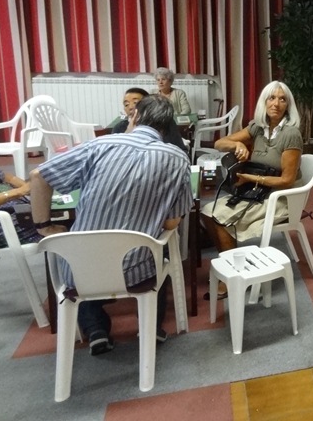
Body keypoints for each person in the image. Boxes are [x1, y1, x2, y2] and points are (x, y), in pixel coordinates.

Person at [29, 95, 193, 354]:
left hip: (78, 272)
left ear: (135, 116)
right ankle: (150, 327)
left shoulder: (100, 144)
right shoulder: (178, 160)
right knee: (158, 252)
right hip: (136, 272)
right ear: (166, 126)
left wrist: (44, 227)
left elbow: (39, 176)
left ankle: (95, 330)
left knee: (86, 252)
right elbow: (172, 222)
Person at [201, 81, 303, 299]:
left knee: (220, 218)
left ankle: (233, 276)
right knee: (207, 212)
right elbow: (219, 143)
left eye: (282, 99)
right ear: (264, 102)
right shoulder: (257, 128)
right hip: (254, 192)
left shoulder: (291, 134)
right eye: (271, 98)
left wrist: (251, 178)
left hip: (277, 198)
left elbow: (287, 180)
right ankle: (232, 262)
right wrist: (237, 145)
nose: (276, 104)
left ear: (288, 105)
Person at [0, 150, 41, 250]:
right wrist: (17, 192)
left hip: (15, 210)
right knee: (54, 229)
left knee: (56, 218)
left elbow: (4, 176)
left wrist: (30, 187)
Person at [112, 87, 187, 152]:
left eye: (135, 102)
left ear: (149, 106)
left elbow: (180, 150)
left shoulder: (164, 123)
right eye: (126, 104)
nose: (130, 107)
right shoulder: (119, 128)